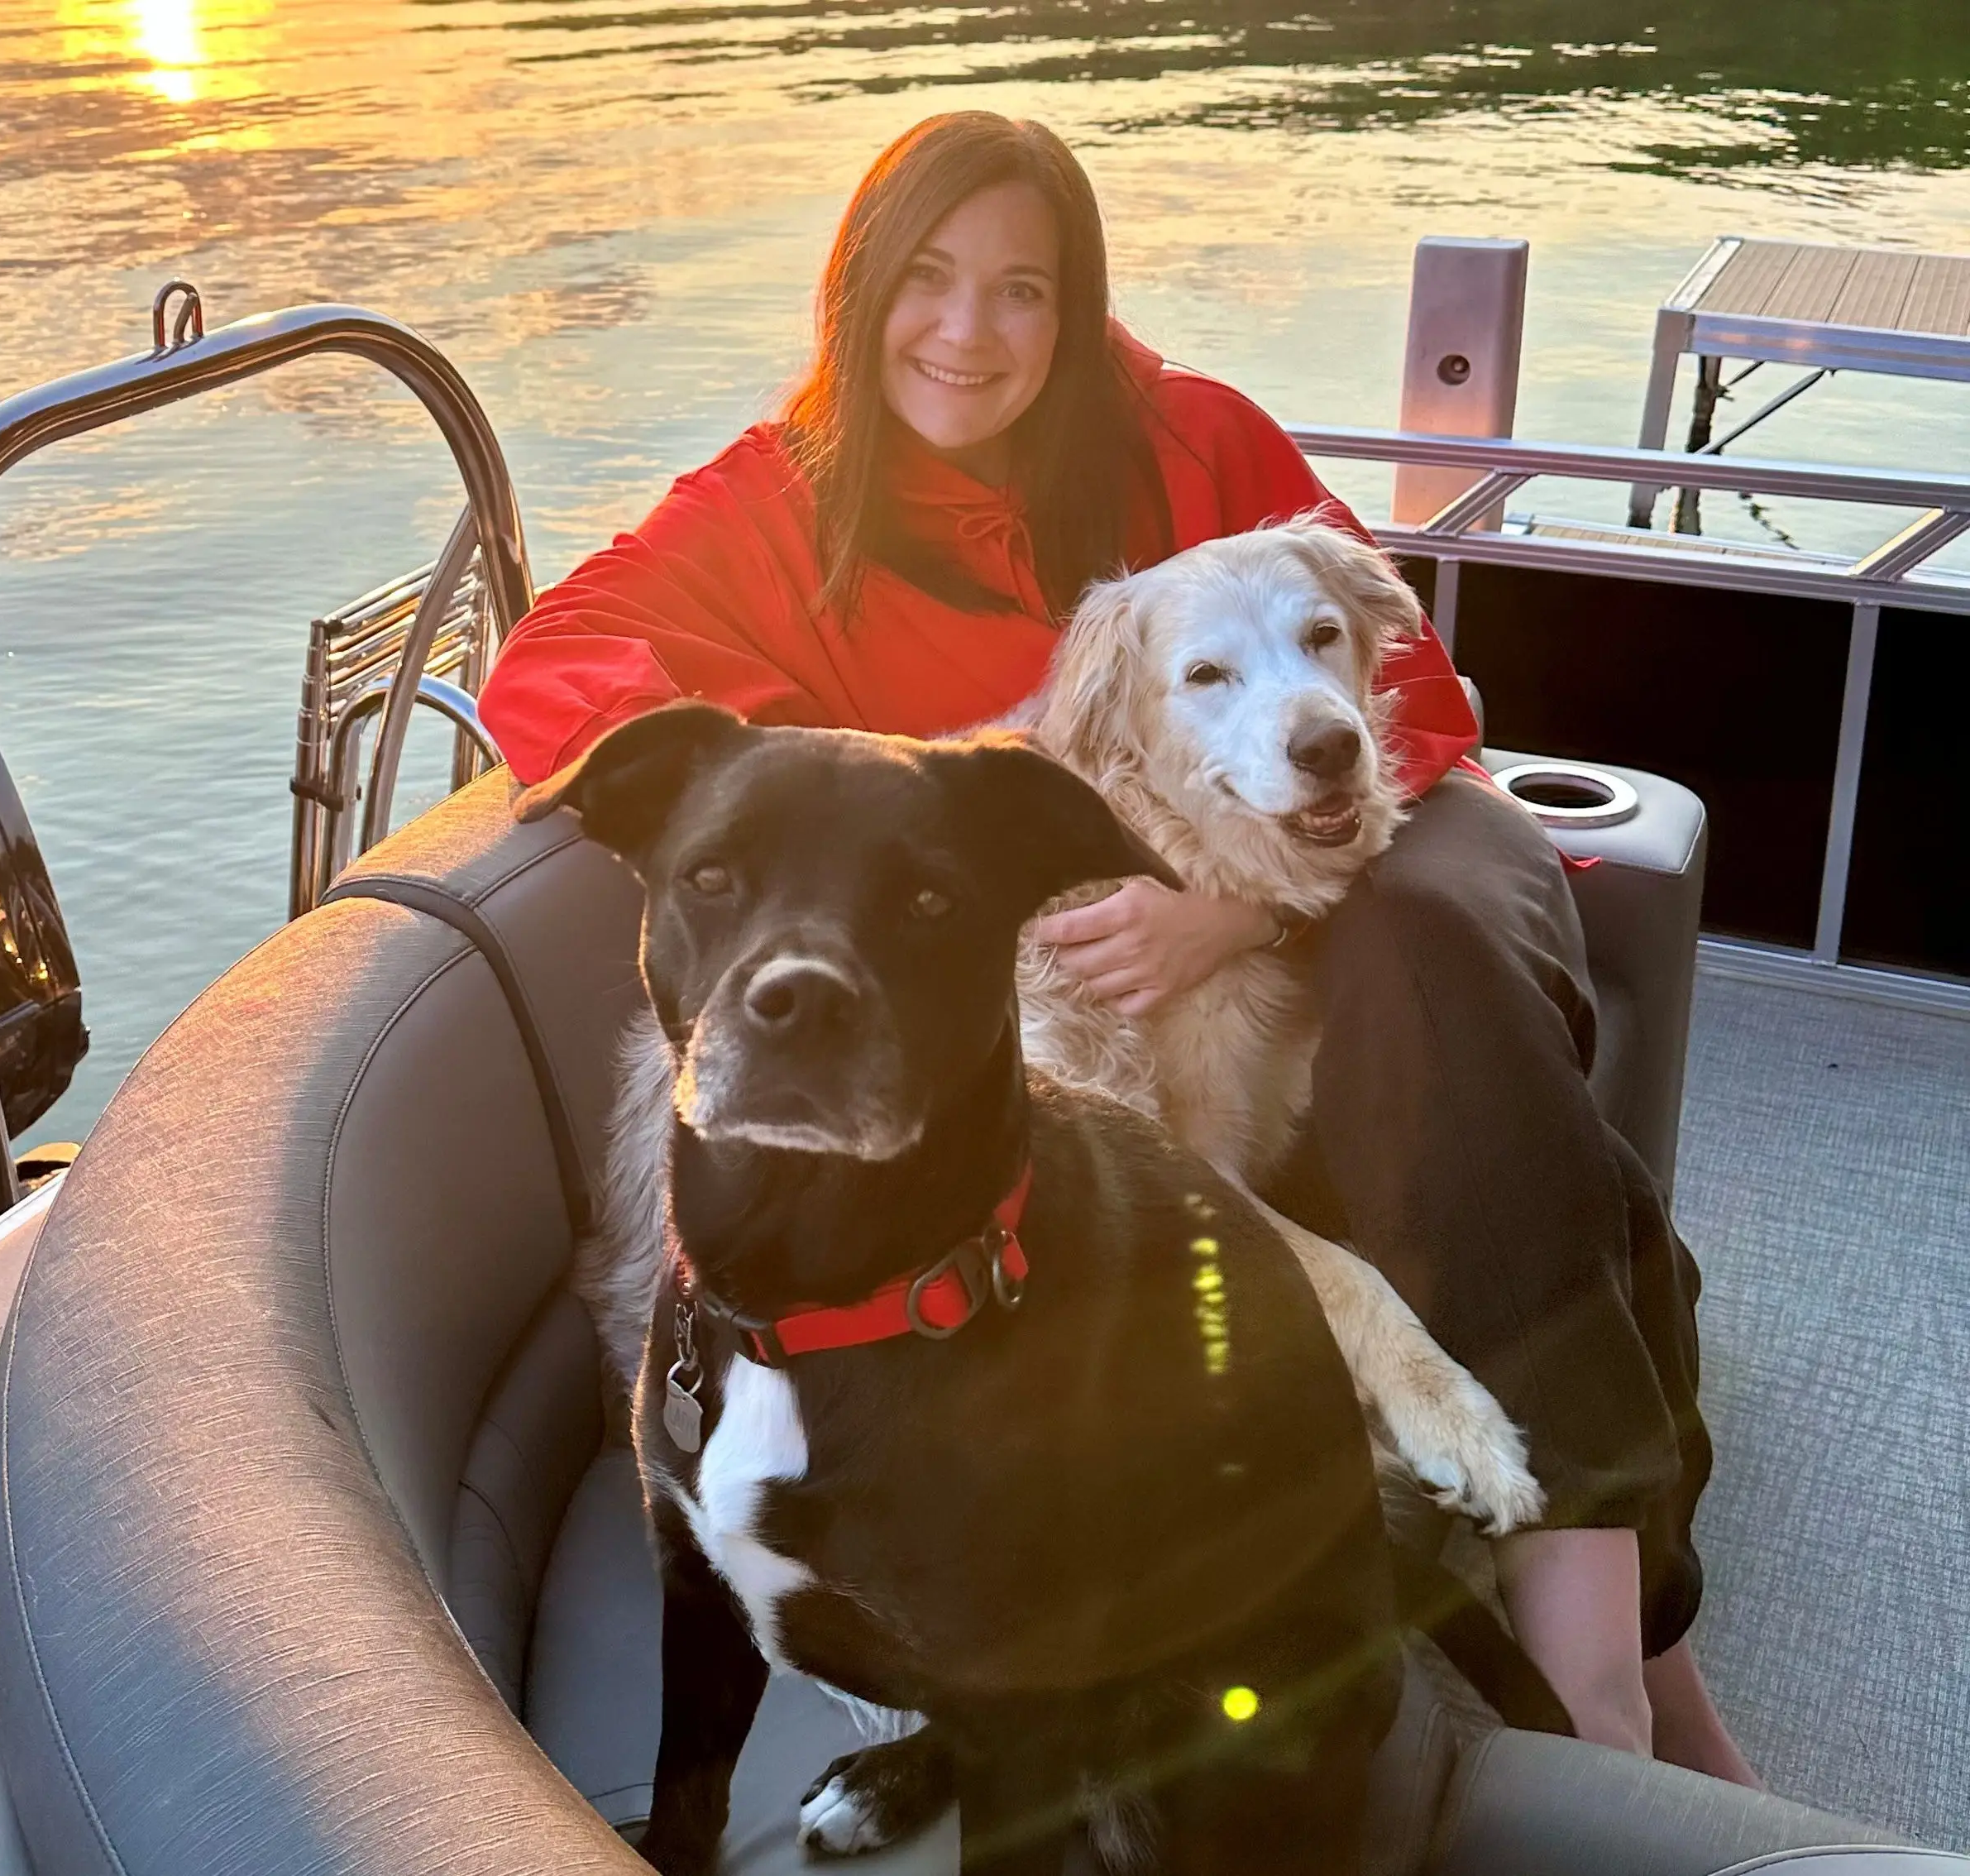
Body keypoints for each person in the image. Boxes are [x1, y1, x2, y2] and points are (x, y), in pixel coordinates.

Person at [476, 111, 1757, 1786]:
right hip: (1062, 1040)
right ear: (854, 294)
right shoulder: (773, 507)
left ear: (1077, 306)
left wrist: (1224, 900)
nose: (968, 333)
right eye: (925, 283)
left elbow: (1413, 693)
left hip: (1303, 898)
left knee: (1432, 959)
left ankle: (1616, 1666)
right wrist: (832, 807)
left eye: (1024, 290)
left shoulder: (1195, 439)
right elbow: (557, 658)